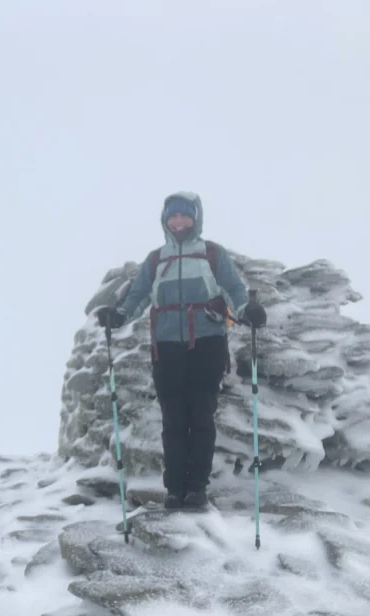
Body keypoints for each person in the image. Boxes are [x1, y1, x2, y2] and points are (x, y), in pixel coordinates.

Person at [99, 192, 267, 510]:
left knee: (201, 417)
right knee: (173, 420)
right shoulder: (156, 260)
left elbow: (233, 289)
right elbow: (137, 296)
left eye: (184, 215)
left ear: (195, 219)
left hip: (207, 344)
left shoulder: (211, 254)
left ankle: (197, 489)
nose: (178, 221)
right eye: (172, 216)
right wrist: (118, 315)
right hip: (166, 350)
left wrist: (247, 310)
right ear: (165, 221)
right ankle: (175, 489)